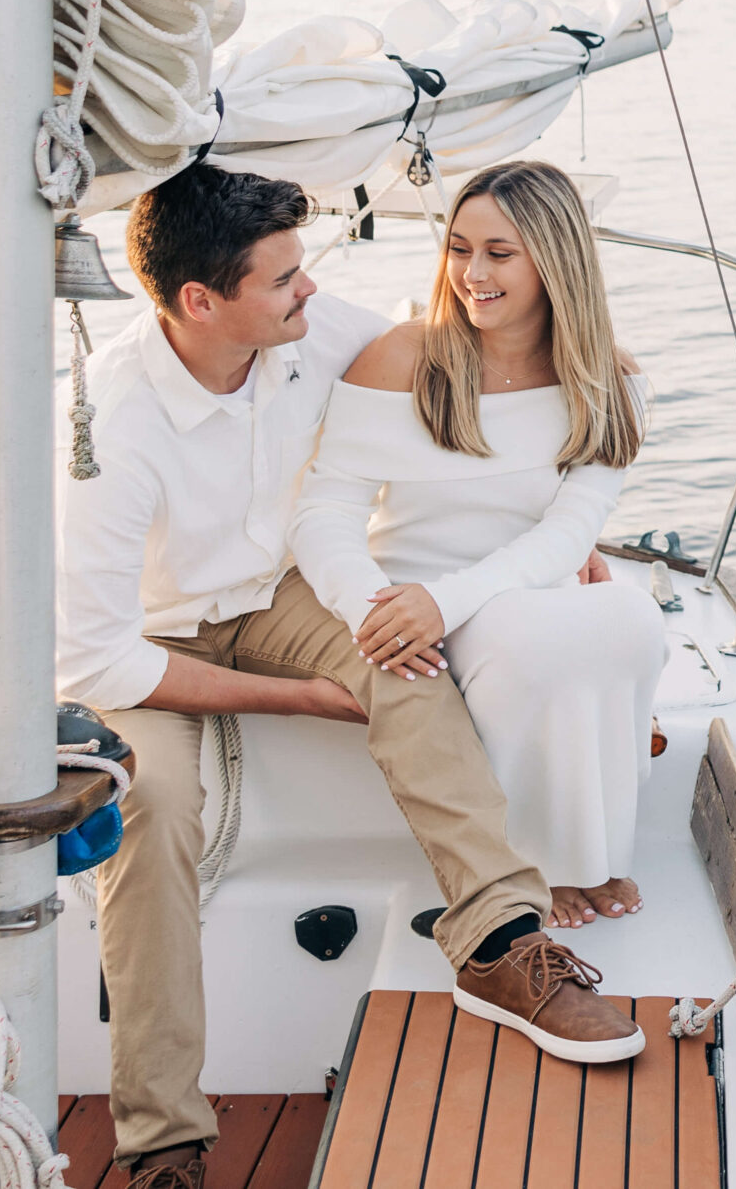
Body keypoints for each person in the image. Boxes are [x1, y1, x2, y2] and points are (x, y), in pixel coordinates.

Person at [58, 163, 642, 1189]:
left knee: (403, 664)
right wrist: (302, 698)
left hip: (284, 593)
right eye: (286, 277)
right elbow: (96, 655)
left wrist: (557, 543)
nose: (313, 290)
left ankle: (501, 938)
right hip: (151, 644)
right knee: (152, 812)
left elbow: (482, 374)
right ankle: (162, 1141)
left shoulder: (315, 332)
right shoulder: (115, 426)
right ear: (203, 302)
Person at [290, 160, 668, 932]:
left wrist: (452, 598)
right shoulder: (403, 357)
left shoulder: (610, 381)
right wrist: (377, 607)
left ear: (555, 258)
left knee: (634, 620)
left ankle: (591, 855)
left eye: (500, 252)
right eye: (459, 248)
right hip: (405, 598)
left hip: (512, 589)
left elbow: (570, 532)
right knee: (530, 640)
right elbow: (324, 509)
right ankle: (526, 867)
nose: (470, 272)